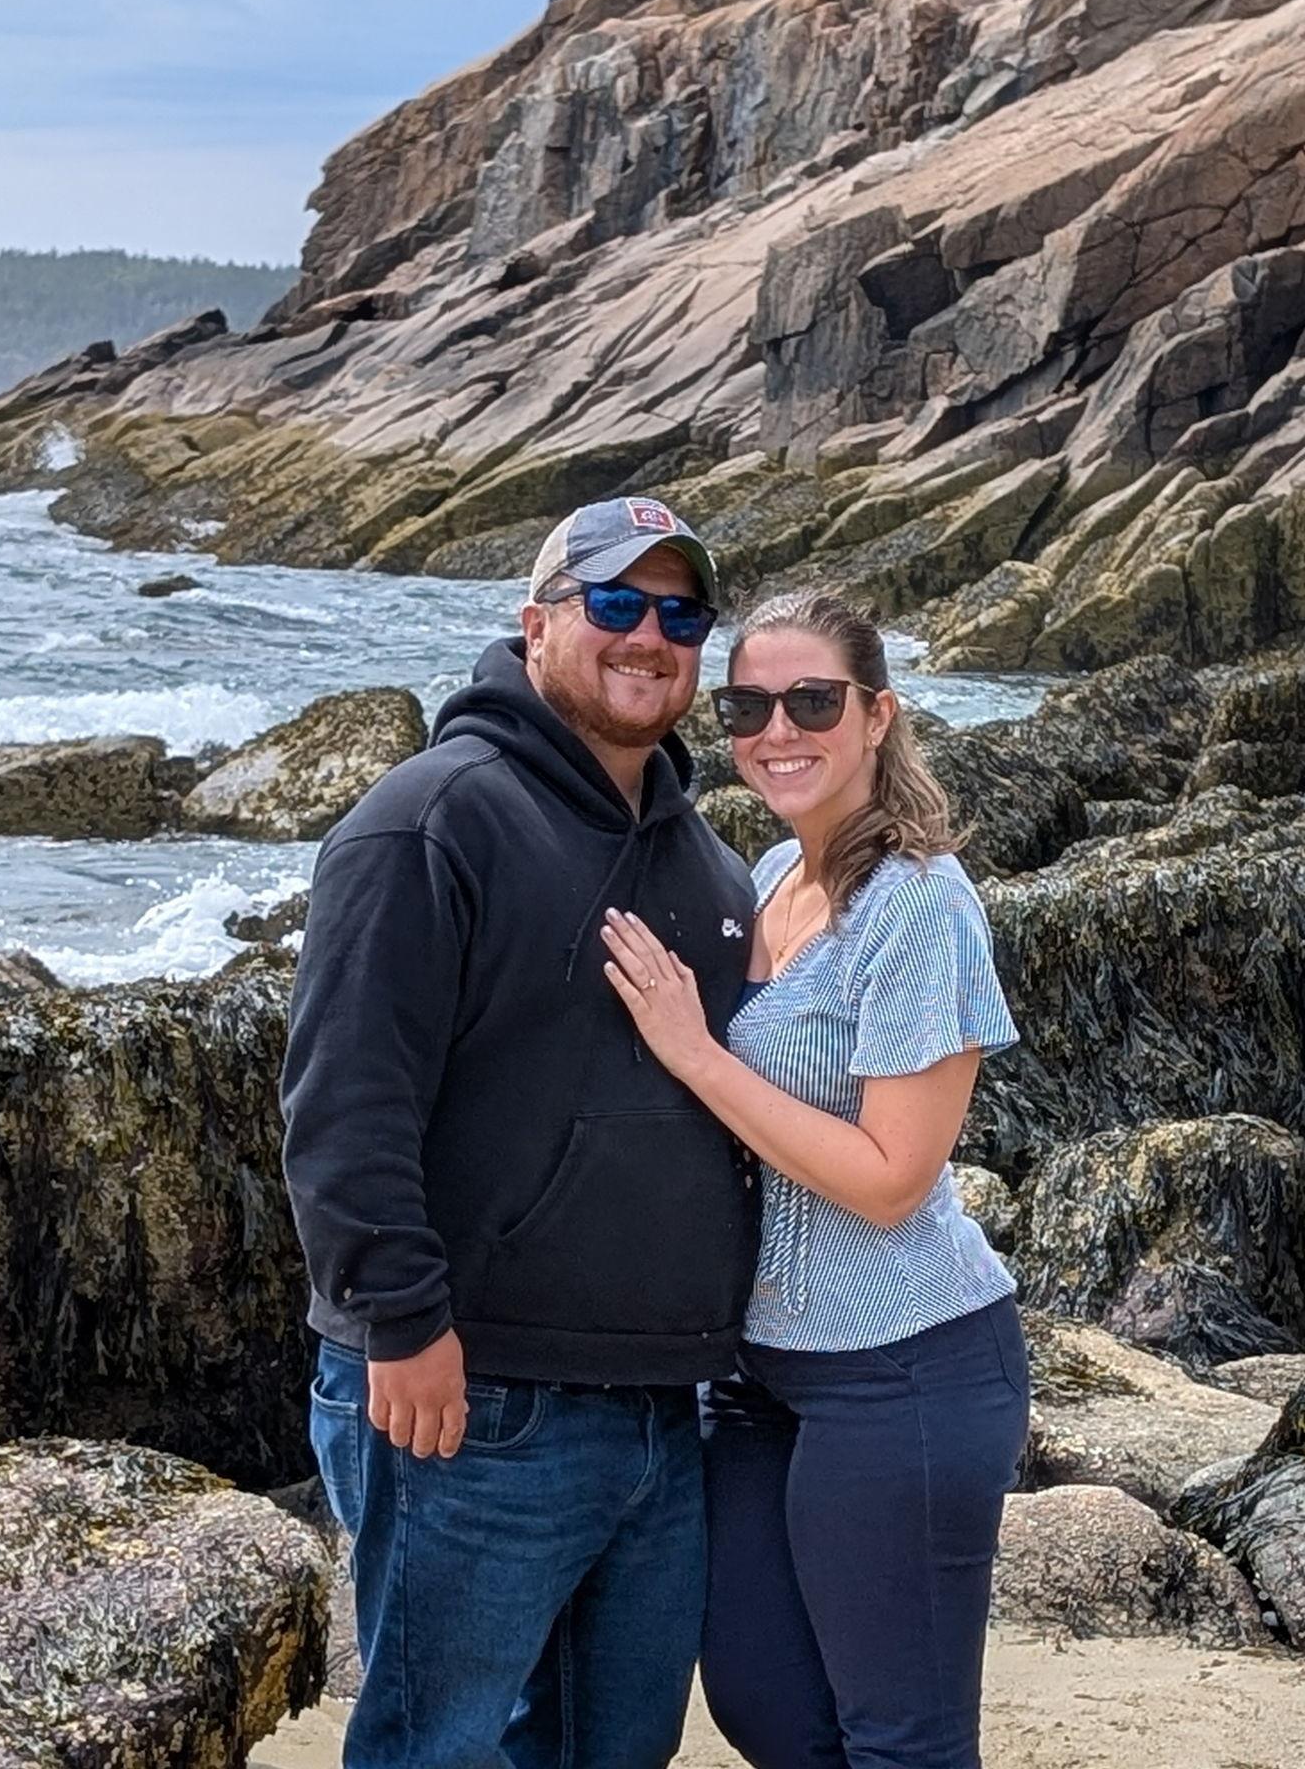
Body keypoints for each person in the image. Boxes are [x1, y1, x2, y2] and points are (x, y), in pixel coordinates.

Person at [280, 496, 761, 1769]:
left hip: (665, 1409)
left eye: (679, 612)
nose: (648, 634)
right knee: (438, 1746)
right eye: (614, 602)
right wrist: (400, 1321)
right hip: (472, 1400)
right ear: (536, 619)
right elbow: (344, 1097)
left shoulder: (709, 865)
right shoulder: (431, 820)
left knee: (617, 1748)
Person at [600, 588, 1029, 1769]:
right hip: (758, 1371)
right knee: (759, 1696)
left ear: (877, 714)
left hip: (906, 1367)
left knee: (900, 1738)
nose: (775, 728)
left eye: (811, 700)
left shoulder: (921, 905)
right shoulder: (775, 869)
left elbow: (893, 1178)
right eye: (746, 703)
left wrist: (690, 1050)